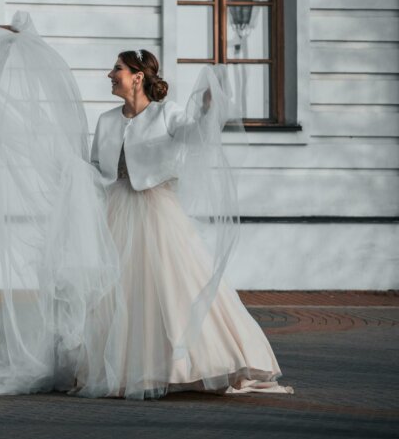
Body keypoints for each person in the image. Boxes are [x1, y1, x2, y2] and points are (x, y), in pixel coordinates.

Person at [77, 49, 293, 398]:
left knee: (174, 286)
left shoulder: (168, 114)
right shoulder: (106, 120)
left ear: (137, 76)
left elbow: (196, 136)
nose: (109, 75)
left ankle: (199, 362)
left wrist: (208, 109)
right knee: (116, 292)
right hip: (115, 210)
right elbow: (95, 168)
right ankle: (122, 367)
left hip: (157, 211)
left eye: (116, 69)